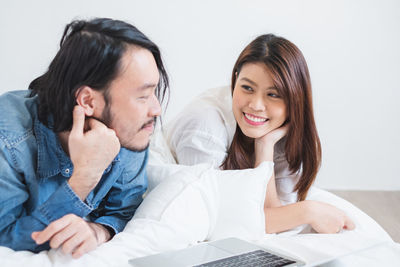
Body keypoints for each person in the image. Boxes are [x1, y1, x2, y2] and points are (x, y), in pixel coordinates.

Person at [0, 18, 169, 258]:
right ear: (88, 101)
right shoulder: (8, 141)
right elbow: (5, 240)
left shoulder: (130, 131)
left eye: (154, 92)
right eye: (143, 96)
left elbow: (124, 210)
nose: (156, 109)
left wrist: (99, 230)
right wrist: (82, 180)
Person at [167, 34, 355, 234]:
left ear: (295, 99)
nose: (255, 105)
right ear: (236, 77)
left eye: (273, 94)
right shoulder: (204, 126)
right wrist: (308, 211)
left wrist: (265, 146)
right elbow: (219, 220)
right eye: (247, 88)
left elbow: (277, 216)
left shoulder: (279, 129)